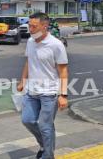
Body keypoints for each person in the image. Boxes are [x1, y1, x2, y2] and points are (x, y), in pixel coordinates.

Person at [17, 12, 69, 159]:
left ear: (44, 26)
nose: (30, 29)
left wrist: (63, 95)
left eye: (34, 26)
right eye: (29, 25)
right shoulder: (30, 42)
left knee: (46, 127)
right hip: (31, 91)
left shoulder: (56, 45)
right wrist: (23, 81)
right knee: (27, 120)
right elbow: (29, 61)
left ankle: (47, 155)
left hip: (49, 93)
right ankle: (44, 145)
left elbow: (63, 70)